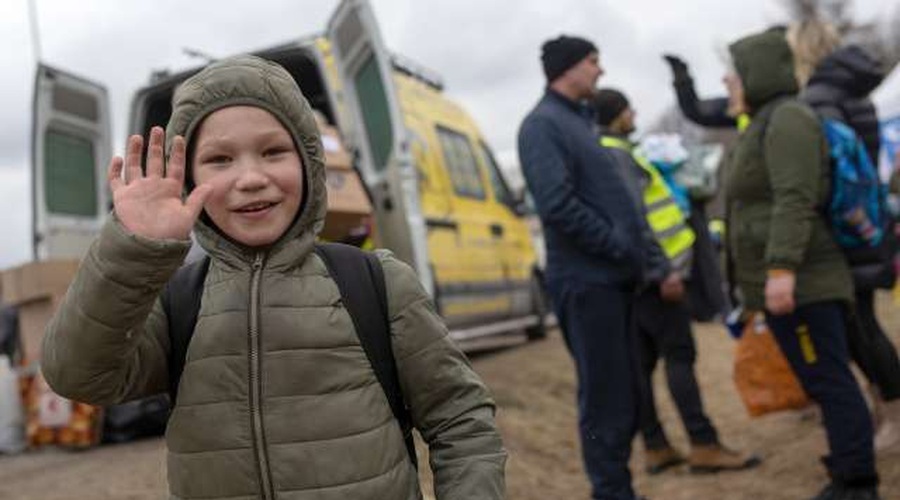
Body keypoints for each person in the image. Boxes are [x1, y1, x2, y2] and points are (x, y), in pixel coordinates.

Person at [40, 55, 506, 500]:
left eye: (273, 151)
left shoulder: (374, 282)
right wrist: (132, 250)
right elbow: (77, 375)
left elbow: (460, 420)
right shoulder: (177, 300)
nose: (250, 177)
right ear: (188, 180)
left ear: (309, 161)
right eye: (220, 160)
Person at [725, 29, 879, 500]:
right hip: (796, 279)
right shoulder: (765, 120)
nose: (728, 84)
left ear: (757, 75)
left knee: (829, 379)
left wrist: (781, 270)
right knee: (822, 379)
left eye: (735, 75)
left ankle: (857, 483)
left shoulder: (788, 118)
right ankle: (846, 470)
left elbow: (795, 197)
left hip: (806, 280)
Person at [594, 88, 760, 475]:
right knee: (679, 357)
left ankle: (656, 446)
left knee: (642, 364)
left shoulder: (603, 152)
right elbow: (637, 220)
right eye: (629, 108)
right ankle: (703, 444)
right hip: (656, 278)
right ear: (617, 115)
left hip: (634, 279)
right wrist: (663, 271)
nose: (634, 112)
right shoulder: (618, 155)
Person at [518, 35, 648, 500]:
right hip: (587, 283)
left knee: (627, 397)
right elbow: (556, 206)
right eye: (594, 62)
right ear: (567, 68)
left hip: (615, 282)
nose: (601, 71)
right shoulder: (542, 126)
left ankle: (619, 489)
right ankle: (611, 493)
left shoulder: (580, 121)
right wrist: (616, 245)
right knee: (606, 403)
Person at [798, 39, 900, 455]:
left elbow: (830, 174)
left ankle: (893, 415)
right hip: (867, 227)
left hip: (844, 233)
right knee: (863, 326)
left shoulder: (820, 101)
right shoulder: (854, 96)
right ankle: (886, 410)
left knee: (861, 329)